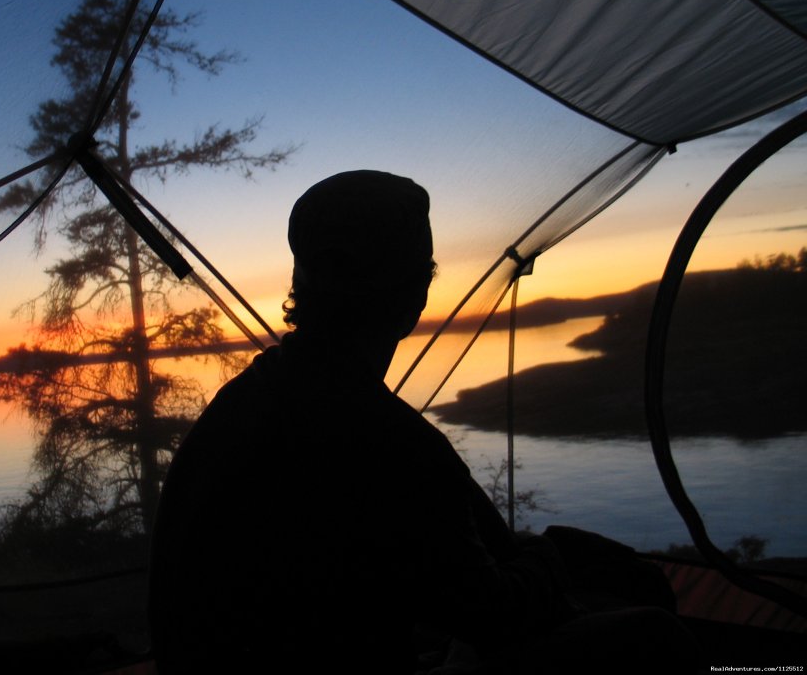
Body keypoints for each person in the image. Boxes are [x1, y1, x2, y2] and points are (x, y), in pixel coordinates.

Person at [148, 170, 694, 674]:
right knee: (651, 634)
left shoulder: (244, 404)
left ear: (302, 287)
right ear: (415, 295)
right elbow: (497, 616)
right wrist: (549, 556)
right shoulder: (388, 443)